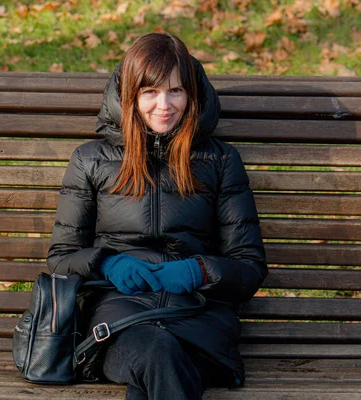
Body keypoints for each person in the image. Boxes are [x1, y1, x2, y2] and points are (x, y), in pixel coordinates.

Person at [47, 32, 268, 400]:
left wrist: (198, 270)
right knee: (158, 353)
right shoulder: (90, 160)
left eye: (176, 91)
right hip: (120, 319)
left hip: (199, 317)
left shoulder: (220, 160)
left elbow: (249, 267)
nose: (164, 105)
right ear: (130, 96)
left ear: (191, 95)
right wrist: (106, 264)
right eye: (150, 92)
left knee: (155, 373)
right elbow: (60, 261)